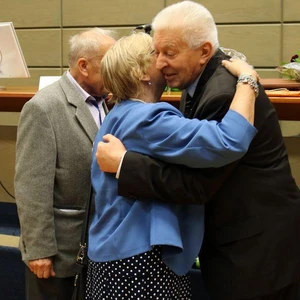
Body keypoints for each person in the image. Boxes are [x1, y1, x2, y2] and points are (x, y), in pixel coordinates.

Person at [95, 2, 300, 300]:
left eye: (170, 53)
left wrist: (125, 163)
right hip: (237, 242)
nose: (161, 62)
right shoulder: (196, 85)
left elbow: (197, 181)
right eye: (156, 53)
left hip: (255, 251)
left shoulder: (222, 92)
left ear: (204, 51)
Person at [87, 31, 258, 299]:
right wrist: (247, 80)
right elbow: (229, 140)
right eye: (158, 54)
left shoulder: (118, 113)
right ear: (142, 72)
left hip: (113, 252)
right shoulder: (148, 119)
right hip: (138, 260)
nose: (165, 61)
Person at [14, 28, 115, 299]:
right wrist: (39, 250)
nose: (117, 69)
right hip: (57, 255)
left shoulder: (104, 103)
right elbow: (31, 186)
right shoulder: (44, 107)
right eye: (110, 62)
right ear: (84, 65)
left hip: (94, 248)